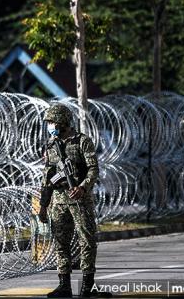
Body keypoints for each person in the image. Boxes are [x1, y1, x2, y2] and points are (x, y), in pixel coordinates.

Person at [38, 103, 109, 298]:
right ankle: (64, 285)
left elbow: (93, 168)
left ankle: (88, 286)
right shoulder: (51, 145)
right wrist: (43, 205)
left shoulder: (81, 141)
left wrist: (83, 187)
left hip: (79, 200)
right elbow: (47, 177)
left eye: (52, 122)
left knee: (87, 241)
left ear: (62, 122)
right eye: (49, 122)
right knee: (61, 242)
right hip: (59, 202)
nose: (50, 125)